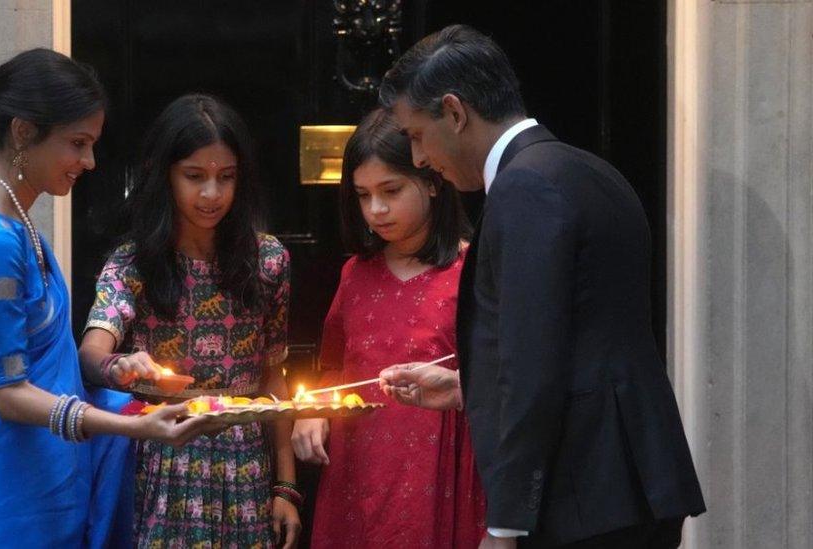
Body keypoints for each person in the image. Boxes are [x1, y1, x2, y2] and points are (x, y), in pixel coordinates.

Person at [377, 25, 706, 548]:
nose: (418, 158)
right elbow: (584, 340)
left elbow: (535, 363)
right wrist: (470, 389)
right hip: (630, 485)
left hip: (580, 497)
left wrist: (505, 525)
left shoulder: (524, 185)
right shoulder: (591, 170)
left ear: (455, 112)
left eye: (417, 134)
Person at [0, 48, 213, 547]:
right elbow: (8, 393)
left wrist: (113, 371)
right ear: (23, 132)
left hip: (36, 485)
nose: (89, 161)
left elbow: (45, 363)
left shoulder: (16, 227)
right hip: (0, 500)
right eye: (77, 143)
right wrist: (136, 428)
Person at [78, 93, 302, 548]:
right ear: (166, 176)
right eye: (194, 177)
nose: (211, 194)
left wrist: (286, 486)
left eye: (226, 177)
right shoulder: (135, 262)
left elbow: (272, 374)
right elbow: (91, 353)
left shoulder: (268, 260)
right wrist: (116, 367)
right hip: (161, 457)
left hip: (244, 463)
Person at [290, 109, 485, 548]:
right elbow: (333, 368)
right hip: (358, 474)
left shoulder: (469, 271)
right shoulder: (355, 276)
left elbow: (502, 381)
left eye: (391, 191)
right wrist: (313, 408)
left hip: (442, 472)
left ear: (433, 181)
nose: (376, 210)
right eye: (362, 195)